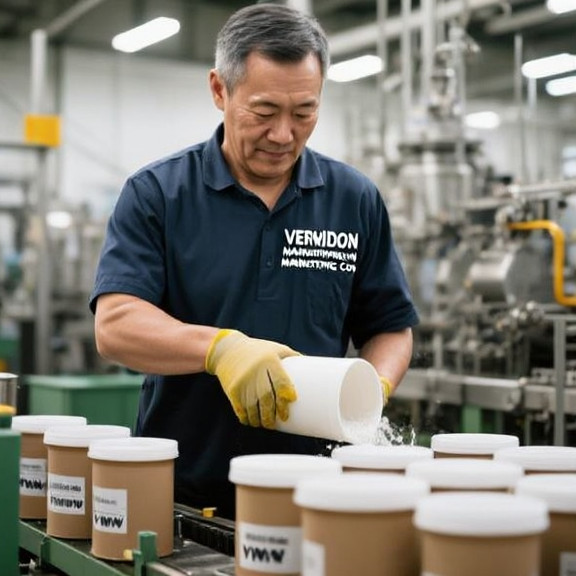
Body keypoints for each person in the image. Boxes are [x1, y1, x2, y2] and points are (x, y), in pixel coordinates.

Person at [90, 3, 418, 519]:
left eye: (305, 112)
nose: (284, 134)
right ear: (220, 91)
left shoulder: (353, 199)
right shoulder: (158, 194)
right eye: (264, 113)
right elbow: (115, 326)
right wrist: (219, 349)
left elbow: (392, 327)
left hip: (318, 494)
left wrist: (372, 389)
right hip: (183, 495)